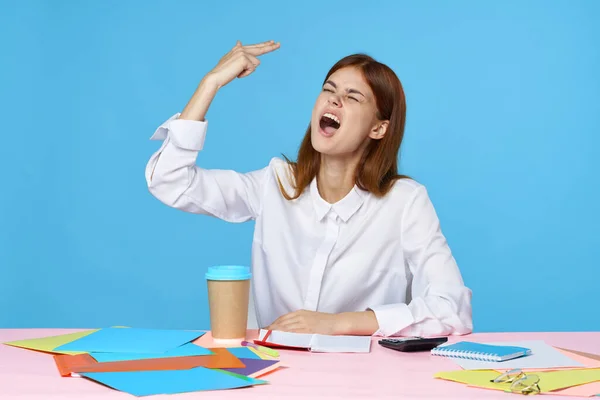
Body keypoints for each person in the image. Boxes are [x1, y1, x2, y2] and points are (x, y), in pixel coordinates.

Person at [145, 40, 473, 337]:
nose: (334, 100)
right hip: (275, 373)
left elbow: (452, 309)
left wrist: (339, 323)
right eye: (329, 90)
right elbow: (170, 181)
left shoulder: (405, 203)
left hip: (363, 378)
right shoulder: (275, 183)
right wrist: (210, 83)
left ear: (378, 127)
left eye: (352, 96)